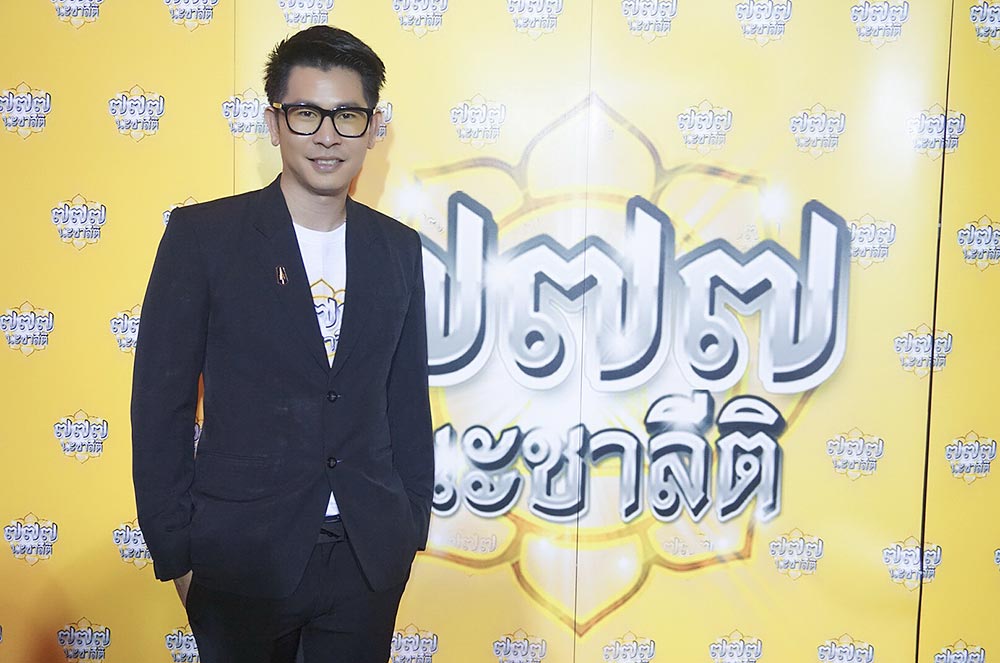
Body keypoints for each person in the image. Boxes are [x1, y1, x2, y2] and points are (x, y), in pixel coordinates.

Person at [131, 25, 433, 663]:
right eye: (306, 113)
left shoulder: (397, 248)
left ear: (372, 128)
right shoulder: (204, 237)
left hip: (366, 557)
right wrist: (177, 555)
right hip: (239, 557)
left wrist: (408, 526)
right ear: (274, 124)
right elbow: (160, 406)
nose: (327, 135)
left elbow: (406, 400)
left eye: (347, 115)